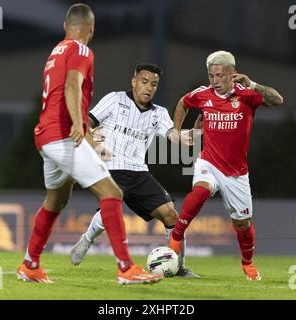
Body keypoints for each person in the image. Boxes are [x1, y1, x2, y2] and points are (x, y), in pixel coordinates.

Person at [16, 4, 162, 285]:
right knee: (111, 192)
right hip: (63, 134)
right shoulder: (82, 50)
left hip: (45, 135)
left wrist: (81, 129)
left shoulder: (56, 51)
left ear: (64, 26)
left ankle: (30, 264)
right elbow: (72, 85)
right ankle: (126, 268)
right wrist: (76, 124)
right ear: (91, 28)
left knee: (56, 200)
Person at [69, 63, 199, 278]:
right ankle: (87, 240)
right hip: (111, 167)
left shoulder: (159, 113)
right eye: (144, 81)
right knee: (112, 207)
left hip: (139, 171)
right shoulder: (115, 99)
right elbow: (86, 123)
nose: (148, 87)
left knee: (171, 216)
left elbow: (172, 135)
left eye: (154, 84)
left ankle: (179, 267)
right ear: (134, 81)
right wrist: (95, 144)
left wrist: (184, 137)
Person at [167, 50, 284, 281]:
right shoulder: (203, 95)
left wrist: (253, 83)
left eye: (220, 75)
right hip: (208, 161)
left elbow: (277, 100)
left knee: (242, 224)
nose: (214, 81)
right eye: (211, 76)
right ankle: (176, 238)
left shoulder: (247, 94)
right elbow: (183, 103)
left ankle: (247, 263)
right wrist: (176, 130)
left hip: (236, 173)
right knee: (199, 191)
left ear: (233, 74)